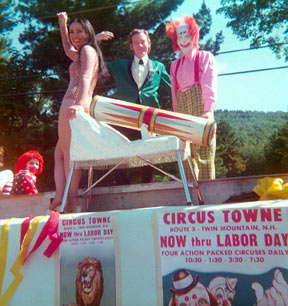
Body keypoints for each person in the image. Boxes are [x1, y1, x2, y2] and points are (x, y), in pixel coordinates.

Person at [49, 12, 108, 212]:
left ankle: (71, 200)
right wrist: (62, 24)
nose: (75, 35)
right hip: (74, 104)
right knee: (60, 154)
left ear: (88, 32)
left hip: (73, 103)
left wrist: (80, 104)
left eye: (79, 31)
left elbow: (84, 78)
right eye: (73, 32)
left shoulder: (88, 51)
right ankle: (60, 196)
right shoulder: (86, 51)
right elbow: (67, 48)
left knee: (69, 154)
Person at [106, 29, 172, 183]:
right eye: (136, 43)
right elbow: (95, 61)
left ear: (148, 44)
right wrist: (94, 40)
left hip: (149, 118)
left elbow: (172, 90)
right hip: (125, 116)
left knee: (150, 152)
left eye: (143, 42)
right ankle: (123, 186)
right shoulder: (120, 65)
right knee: (120, 150)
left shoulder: (158, 66)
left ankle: (147, 186)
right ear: (131, 46)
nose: (140, 45)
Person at [166, 16, 217, 180]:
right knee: (185, 155)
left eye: (186, 34)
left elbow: (209, 85)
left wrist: (208, 111)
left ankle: (208, 197)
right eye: (179, 36)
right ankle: (190, 197)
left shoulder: (205, 57)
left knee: (204, 155)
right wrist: (175, 117)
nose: (183, 39)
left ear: (194, 35)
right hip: (182, 111)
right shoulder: (175, 65)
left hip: (200, 109)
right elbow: (174, 93)